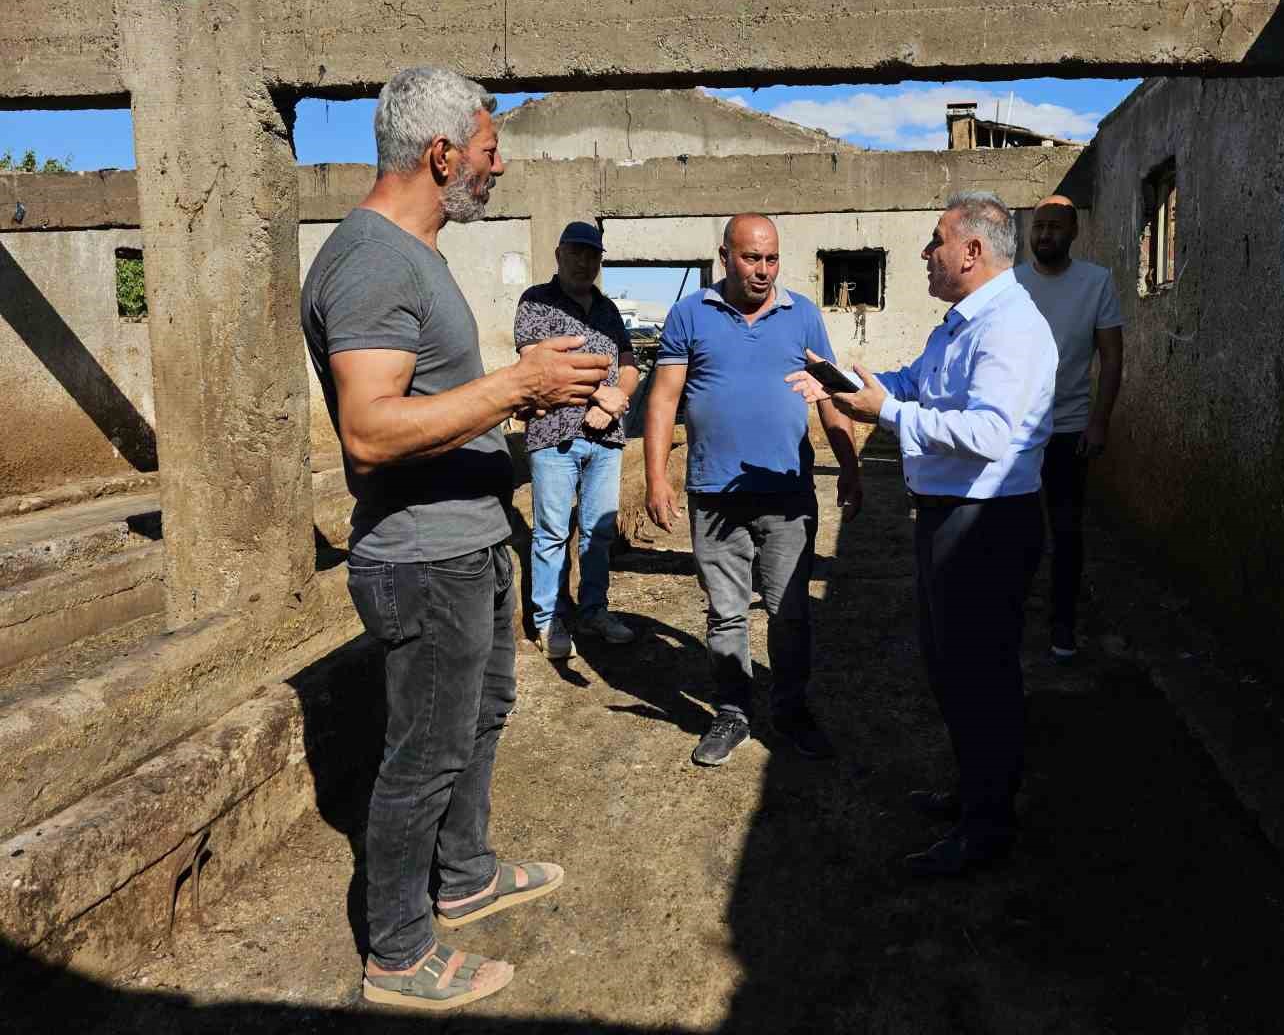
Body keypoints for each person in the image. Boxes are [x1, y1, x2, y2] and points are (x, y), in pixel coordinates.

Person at [301, 67, 611, 1011]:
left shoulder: (413, 256)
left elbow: (436, 408)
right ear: (440, 156)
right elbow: (370, 430)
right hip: (422, 559)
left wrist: (542, 398)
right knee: (424, 754)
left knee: (478, 720)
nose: (498, 168)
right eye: (488, 151)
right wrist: (521, 387)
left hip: (467, 545)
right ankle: (397, 952)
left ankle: (464, 874)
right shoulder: (372, 264)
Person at [787, 191, 1056, 877]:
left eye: (933, 242)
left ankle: (987, 826)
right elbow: (914, 382)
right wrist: (846, 383)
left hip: (985, 524)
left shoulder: (1010, 329)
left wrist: (889, 414)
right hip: (949, 517)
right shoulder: (960, 325)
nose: (923, 256)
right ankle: (974, 793)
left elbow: (992, 434)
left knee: (981, 679)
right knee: (949, 669)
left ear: (971, 251)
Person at [644, 213, 863, 768]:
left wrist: (852, 468)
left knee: (790, 611)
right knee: (726, 612)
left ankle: (790, 709)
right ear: (725, 256)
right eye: (750, 258)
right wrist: (655, 478)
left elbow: (832, 395)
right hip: (714, 494)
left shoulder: (803, 316)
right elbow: (665, 400)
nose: (763, 270)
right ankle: (732, 711)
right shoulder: (690, 313)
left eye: (771, 259)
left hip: (788, 495)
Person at [514, 220, 641, 659]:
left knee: (598, 531)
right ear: (559, 255)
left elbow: (629, 362)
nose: (585, 261)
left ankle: (593, 610)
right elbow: (533, 361)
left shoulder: (607, 309)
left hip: (606, 436)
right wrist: (597, 392)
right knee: (550, 532)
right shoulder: (535, 302)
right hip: (553, 435)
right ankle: (548, 620)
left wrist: (617, 397)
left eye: (593, 254)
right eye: (576, 252)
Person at [1014, 195, 1124, 661]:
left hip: (1070, 429)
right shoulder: (1012, 283)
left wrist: (1098, 422)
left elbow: (1112, 356)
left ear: (1074, 232)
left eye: (1055, 228)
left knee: (1067, 531)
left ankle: (1063, 625)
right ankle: (1011, 619)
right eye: (1038, 227)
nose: (1044, 236)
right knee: (1015, 532)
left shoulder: (1096, 283)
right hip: (1015, 432)